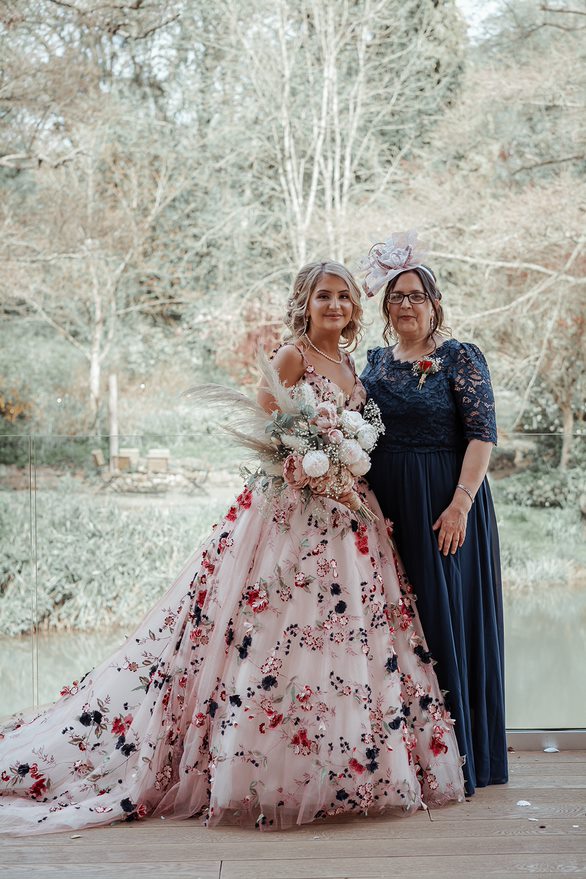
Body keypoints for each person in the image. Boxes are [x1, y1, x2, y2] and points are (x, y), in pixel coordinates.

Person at [0, 259, 464, 837]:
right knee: (270, 637)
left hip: (348, 516)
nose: (337, 306)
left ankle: (337, 768)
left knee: (340, 642)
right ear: (305, 302)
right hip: (289, 514)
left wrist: (341, 465)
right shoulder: (291, 356)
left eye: (345, 297)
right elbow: (265, 435)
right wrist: (305, 466)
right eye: (325, 296)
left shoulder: (351, 364)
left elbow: (352, 429)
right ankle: (259, 773)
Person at [359, 233, 508, 796]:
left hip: (446, 504)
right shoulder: (373, 362)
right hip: (386, 506)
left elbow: (482, 436)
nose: (405, 304)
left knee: (442, 622)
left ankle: (458, 760)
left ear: (435, 303)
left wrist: (460, 505)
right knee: (398, 626)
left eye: (416, 295)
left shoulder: (459, 358)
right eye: (395, 295)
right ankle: (405, 761)